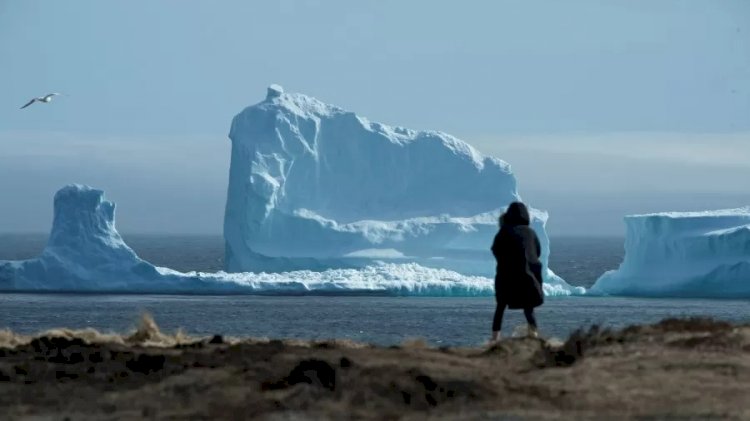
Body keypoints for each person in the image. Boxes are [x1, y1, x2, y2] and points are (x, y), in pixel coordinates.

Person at [490, 201, 544, 342]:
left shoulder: (504, 232)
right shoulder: (530, 233)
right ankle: (535, 336)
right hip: (528, 276)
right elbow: (537, 252)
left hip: (507, 276)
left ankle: (495, 338)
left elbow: (496, 249)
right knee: (529, 307)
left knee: (500, 306)